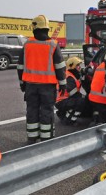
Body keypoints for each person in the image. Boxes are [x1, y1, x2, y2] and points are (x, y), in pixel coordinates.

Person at [17, 15, 66, 144]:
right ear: (46, 28)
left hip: (30, 84)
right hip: (48, 86)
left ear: (34, 27)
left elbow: (20, 66)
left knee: (32, 109)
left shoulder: (27, 44)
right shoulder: (53, 45)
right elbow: (60, 67)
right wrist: (63, 84)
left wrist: (22, 83)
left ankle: (32, 137)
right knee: (47, 110)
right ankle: (46, 137)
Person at [55, 56, 86, 126]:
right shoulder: (69, 77)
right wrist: (84, 96)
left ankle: (62, 113)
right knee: (81, 102)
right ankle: (69, 120)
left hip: (60, 100)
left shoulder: (69, 74)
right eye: (77, 65)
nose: (79, 67)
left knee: (78, 99)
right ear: (72, 66)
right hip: (61, 101)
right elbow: (73, 93)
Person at [88, 62, 106, 126]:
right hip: (105, 100)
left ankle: (95, 119)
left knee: (97, 109)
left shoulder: (100, 66)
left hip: (93, 98)